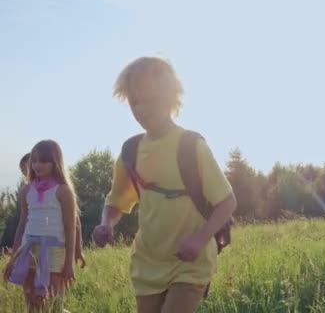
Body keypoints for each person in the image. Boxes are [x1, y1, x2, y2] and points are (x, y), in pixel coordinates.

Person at [92, 56, 237, 313]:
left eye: (150, 100)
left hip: (191, 263)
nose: (141, 109)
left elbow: (227, 202)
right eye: (135, 101)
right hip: (147, 263)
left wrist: (200, 239)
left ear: (171, 98)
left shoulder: (191, 146)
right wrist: (106, 224)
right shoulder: (131, 151)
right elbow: (115, 202)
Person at [3, 140, 79, 313]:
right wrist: (12, 259)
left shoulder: (63, 191)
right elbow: (22, 225)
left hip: (54, 250)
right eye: (34, 161)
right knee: (31, 300)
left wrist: (69, 263)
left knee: (54, 302)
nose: (37, 165)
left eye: (44, 161)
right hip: (28, 249)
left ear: (55, 162)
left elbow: (70, 227)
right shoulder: (26, 191)